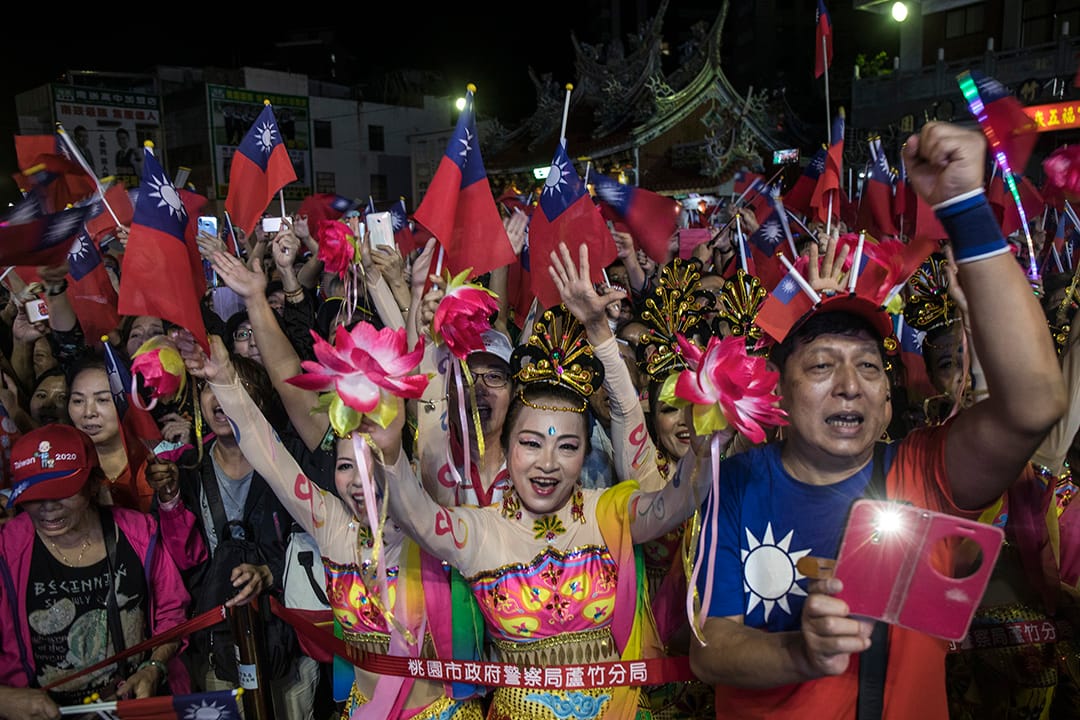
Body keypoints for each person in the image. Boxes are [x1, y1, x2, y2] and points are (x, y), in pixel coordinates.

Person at [687, 121, 1067, 719]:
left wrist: (966, 205)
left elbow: (1036, 403)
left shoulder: (924, 475)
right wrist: (802, 652)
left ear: (889, 403)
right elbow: (710, 649)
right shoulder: (735, 484)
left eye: (869, 367)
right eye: (820, 365)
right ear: (780, 396)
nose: (849, 385)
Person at [373, 298, 716, 720]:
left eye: (567, 446)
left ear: (587, 452)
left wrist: (702, 451)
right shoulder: (481, 532)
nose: (548, 463)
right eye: (531, 443)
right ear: (508, 443)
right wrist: (390, 453)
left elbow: (675, 501)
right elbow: (416, 516)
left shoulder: (606, 514)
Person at [174, 332, 487, 719]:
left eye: (373, 462)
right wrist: (223, 379)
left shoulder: (432, 526)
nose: (358, 480)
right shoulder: (334, 528)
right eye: (345, 466)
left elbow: (433, 417)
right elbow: (272, 459)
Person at [0, 424, 190, 719]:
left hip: (129, 708)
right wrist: (6, 699)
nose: (48, 508)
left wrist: (153, 668)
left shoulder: (138, 533)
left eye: (62, 493)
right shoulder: (6, 550)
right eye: (35, 495)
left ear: (93, 483)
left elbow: (172, 614)